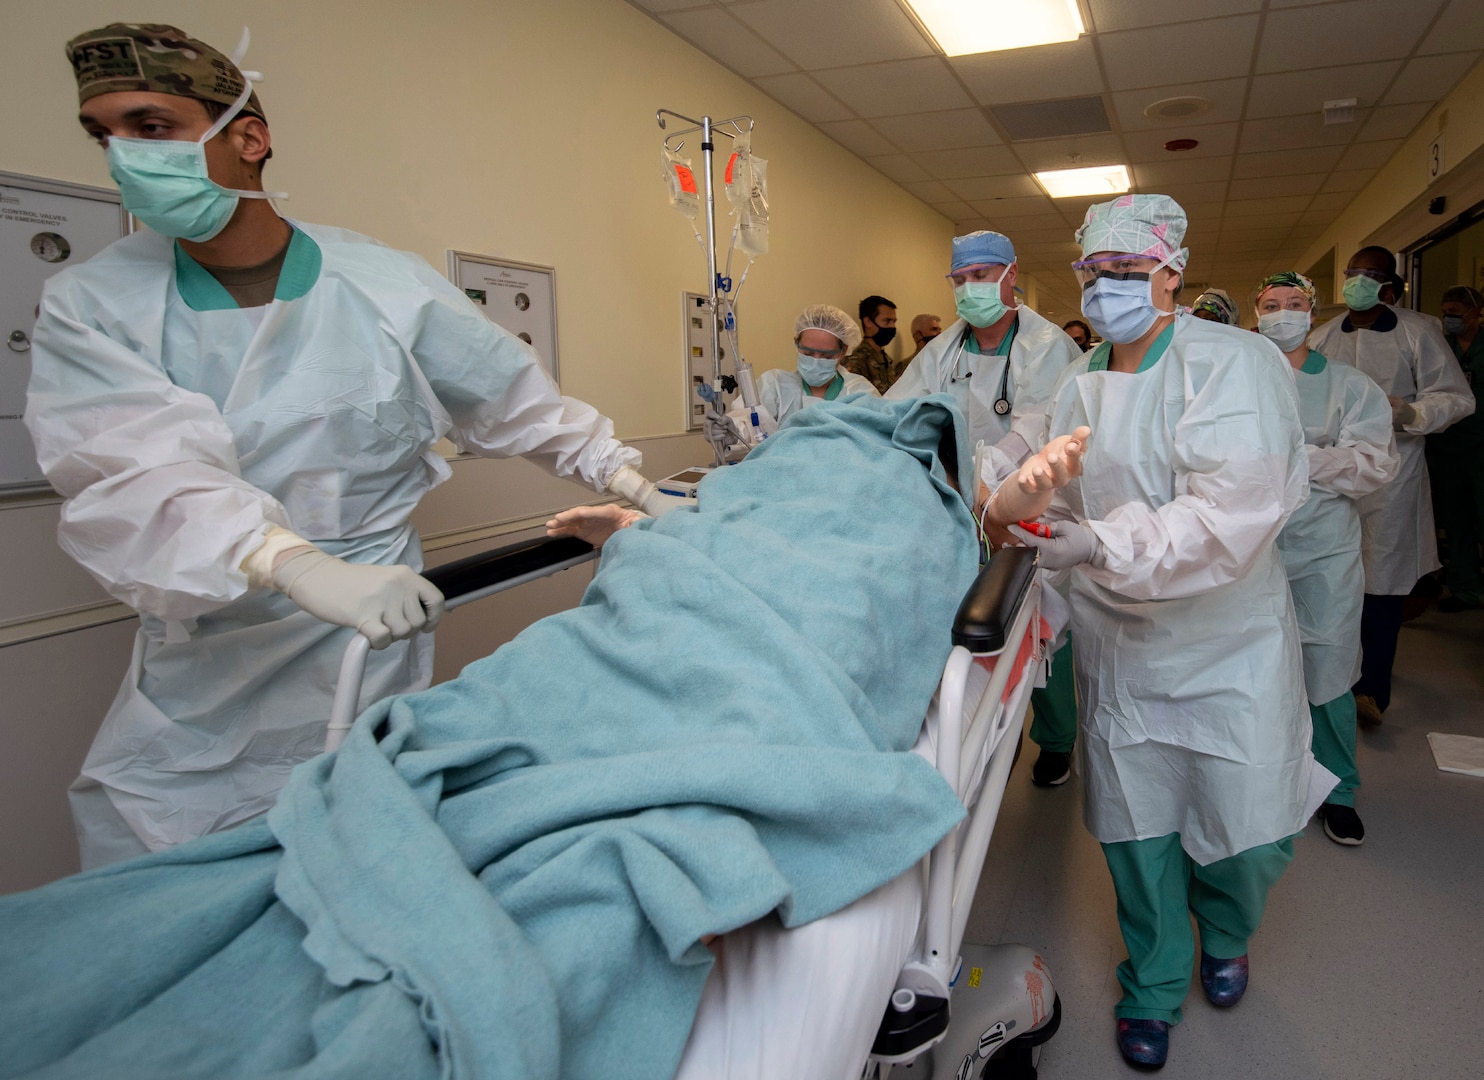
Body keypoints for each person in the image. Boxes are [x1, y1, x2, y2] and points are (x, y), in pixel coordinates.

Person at [26, 23, 660, 869]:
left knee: (363, 856)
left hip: (371, 644)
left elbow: (513, 398)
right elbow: (133, 471)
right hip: (201, 673)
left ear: (247, 136)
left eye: (151, 127)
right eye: (102, 135)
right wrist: (297, 565)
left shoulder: (383, 286)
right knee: (163, 877)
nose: (123, 158)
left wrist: (632, 482)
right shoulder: (93, 306)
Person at [1005, 194, 1333, 1069]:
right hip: (1124, 646)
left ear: (1168, 274)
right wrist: (1009, 502)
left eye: (1124, 271)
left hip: (1229, 642)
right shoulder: (1074, 383)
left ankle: (1227, 931)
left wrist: (1100, 539)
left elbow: (1232, 515)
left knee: (1251, 830)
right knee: (1135, 829)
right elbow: (1027, 471)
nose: (1107, 287)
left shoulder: (1236, 363)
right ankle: (1153, 980)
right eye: (1094, 272)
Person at [887, 230, 1083, 787]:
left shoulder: (1047, 346)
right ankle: (991, 734)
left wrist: (990, 475)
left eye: (981, 275)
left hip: (1032, 503)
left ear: (1011, 273)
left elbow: (1038, 423)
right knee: (977, 627)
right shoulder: (942, 350)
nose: (971, 287)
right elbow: (899, 410)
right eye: (961, 278)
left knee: (1046, 628)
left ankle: (1057, 739)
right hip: (959, 510)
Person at [1256, 271, 1398, 847]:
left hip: (1323, 549)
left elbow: (1374, 463)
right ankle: (1266, 783)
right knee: (1254, 669)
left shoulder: (1349, 385)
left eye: (1294, 304)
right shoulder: (1234, 380)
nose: (1283, 313)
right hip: (1246, 547)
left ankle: (1338, 790)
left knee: (1330, 669)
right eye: (1271, 305)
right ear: (1256, 314)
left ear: (1312, 316)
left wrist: (1302, 460)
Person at [1308, 247, 1474, 727]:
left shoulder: (1418, 332)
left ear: (1392, 287)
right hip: (1331, 476)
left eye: (1371, 275)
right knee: (1332, 575)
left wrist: (1414, 413)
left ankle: (1371, 689)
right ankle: (1330, 676)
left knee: (1381, 581)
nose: (1358, 282)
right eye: (1352, 274)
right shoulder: (1322, 338)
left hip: (1392, 476)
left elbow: (1457, 397)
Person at [725, 303, 877, 444]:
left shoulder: (860, 391)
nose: (816, 361)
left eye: (826, 356)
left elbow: (877, 438)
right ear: (796, 343)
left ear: (844, 351)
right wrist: (732, 431)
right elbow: (748, 423)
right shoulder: (775, 385)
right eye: (808, 353)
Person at [1433, 285, 1484, 611]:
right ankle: (1465, 589)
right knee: (1457, 522)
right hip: (1450, 448)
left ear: (1477, 311)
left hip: (1482, 448)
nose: (1450, 318)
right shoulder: (1441, 346)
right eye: (1446, 312)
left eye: (1457, 312)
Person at [844, 294, 901, 392]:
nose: (892, 326)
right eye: (887, 321)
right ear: (868, 322)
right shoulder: (856, 360)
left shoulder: (885, 359)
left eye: (894, 321)